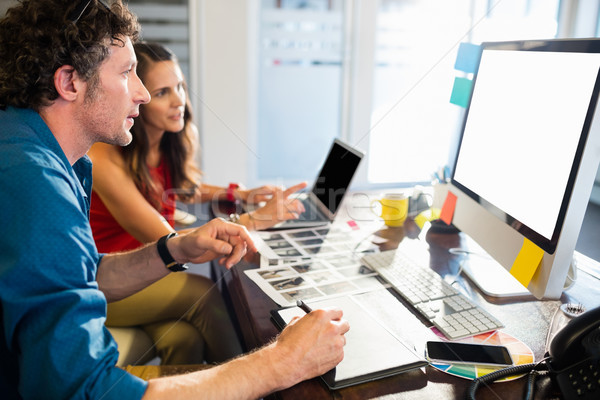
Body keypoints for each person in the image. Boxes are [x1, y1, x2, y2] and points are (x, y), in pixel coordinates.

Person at [0, 1, 349, 399]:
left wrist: (172, 249)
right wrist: (281, 362)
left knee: (185, 336)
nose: (144, 93)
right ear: (69, 82)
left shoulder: (40, 150)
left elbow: (85, 275)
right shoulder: (33, 181)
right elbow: (88, 392)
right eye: (127, 72)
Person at [87, 41, 307, 366]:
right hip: (107, 282)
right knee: (202, 294)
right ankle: (254, 385)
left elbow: (181, 189)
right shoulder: (105, 157)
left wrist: (239, 194)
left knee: (183, 339)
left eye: (179, 86)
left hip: (146, 273)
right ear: (139, 96)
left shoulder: (162, 143)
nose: (179, 101)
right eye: (162, 92)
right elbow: (170, 242)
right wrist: (256, 219)